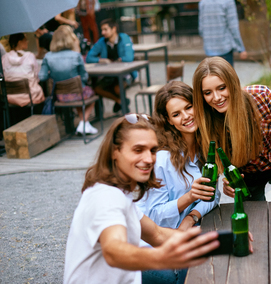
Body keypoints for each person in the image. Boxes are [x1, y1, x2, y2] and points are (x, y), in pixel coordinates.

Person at [63, 113, 220, 284]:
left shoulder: (121, 196)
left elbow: (157, 234)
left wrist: (219, 240)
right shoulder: (106, 196)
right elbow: (114, 250)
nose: (148, 159)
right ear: (115, 151)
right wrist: (163, 257)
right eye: (138, 150)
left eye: (153, 150)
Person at [136, 81, 221, 284]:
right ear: (169, 121)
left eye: (189, 107)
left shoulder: (203, 147)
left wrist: (191, 217)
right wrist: (189, 197)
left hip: (182, 235)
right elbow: (152, 218)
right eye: (176, 114)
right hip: (151, 247)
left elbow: (213, 194)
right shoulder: (162, 159)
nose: (186, 117)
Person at [192, 57, 271, 201]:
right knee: (255, 218)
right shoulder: (207, 122)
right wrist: (227, 184)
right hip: (247, 173)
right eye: (208, 93)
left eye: (222, 88)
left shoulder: (262, 96)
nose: (216, 98)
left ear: (232, 83)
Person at [39, 25, 98, 135]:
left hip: (60, 96)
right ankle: (83, 123)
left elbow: (42, 77)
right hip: (78, 93)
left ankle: (84, 124)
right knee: (92, 94)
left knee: (78, 93)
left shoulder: (48, 57)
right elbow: (84, 76)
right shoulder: (76, 55)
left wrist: (52, 76)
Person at [86, 18, 136, 113]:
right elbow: (89, 58)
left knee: (117, 89)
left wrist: (117, 60)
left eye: (105, 29)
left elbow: (129, 57)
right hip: (109, 75)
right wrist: (100, 60)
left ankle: (123, 108)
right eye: (102, 30)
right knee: (97, 89)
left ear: (113, 29)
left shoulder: (124, 38)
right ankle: (120, 101)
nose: (103, 32)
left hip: (125, 74)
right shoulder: (102, 41)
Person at [198, 0, 248, 67]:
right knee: (227, 78)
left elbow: (201, 29)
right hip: (225, 47)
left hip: (209, 49)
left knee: (214, 76)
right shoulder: (228, 1)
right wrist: (241, 48)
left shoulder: (203, 3)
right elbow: (233, 27)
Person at [2, 33, 45, 110]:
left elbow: (2, 76)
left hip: (9, 97)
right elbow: (37, 77)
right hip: (30, 97)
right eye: (25, 40)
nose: (28, 41)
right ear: (19, 42)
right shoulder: (30, 56)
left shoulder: (4, 58)